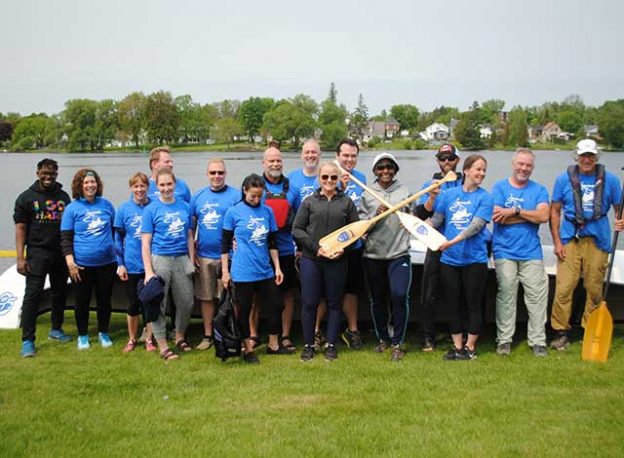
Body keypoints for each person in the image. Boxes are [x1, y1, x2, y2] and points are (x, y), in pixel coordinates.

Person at [549, 139, 623, 350]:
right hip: (569, 239)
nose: (587, 159)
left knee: (593, 287)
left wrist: (621, 219)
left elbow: (619, 209)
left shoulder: (612, 181)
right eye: (583, 156)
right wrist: (556, 241)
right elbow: (555, 210)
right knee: (564, 287)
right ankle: (560, 331)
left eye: (591, 155)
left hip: (597, 240)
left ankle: (588, 330)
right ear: (577, 157)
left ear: (596, 157)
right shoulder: (563, 179)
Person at [293, 162, 359, 362]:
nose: (329, 181)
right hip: (312, 260)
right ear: (319, 178)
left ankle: (331, 345)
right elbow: (297, 229)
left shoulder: (346, 202)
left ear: (338, 178)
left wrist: (342, 249)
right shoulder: (309, 202)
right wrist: (318, 249)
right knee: (310, 303)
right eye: (325, 177)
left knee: (334, 303)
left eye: (333, 177)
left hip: (338, 261)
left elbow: (355, 231)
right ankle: (308, 345)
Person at [429, 154, 493, 361]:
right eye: (478, 169)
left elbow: (475, 227)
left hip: (474, 260)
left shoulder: (485, 197)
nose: (481, 173)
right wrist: (414, 226)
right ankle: (457, 347)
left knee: (473, 304)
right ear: (466, 170)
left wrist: (451, 242)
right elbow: (436, 221)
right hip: (450, 260)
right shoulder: (449, 195)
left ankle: (471, 348)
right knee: (453, 303)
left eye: (484, 170)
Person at [220, 174, 285, 364]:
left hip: (264, 269)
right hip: (243, 270)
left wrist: (278, 268)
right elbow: (224, 244)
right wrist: (225, 271)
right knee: (244, 310)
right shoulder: (233, 212)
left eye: (259, 196)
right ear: (244, 191)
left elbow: (273, 242)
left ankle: (274, 344)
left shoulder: (267, 212)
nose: (257, 200)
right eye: (253, 196)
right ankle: (247, 348)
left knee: (276, 305)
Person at [491, 148, 550, 357]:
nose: (524, 168)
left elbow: (544, 216)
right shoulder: (499, 187)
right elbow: (497, 217)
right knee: (506, 294)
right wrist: (529, 215)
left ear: (532, 168)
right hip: (504, 251)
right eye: (521, 164)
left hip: (531, 252)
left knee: (536, 297)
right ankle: (504, 340)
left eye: (528, 165)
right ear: (513, 164)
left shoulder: (540, 190)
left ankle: (538, 341)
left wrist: (514, 211)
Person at [14, 158, 72, 357]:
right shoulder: (26, 198)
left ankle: (56, 329)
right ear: (38, 173)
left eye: (52, 173)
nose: (49, 177)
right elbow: (20, 228)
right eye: (45, 173)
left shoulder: (64, 197)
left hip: (60, 252)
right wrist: (20, 257)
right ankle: (28, 340)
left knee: (60, 292)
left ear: (57, 173)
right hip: (37, 253)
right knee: (33, 295)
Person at [359, 153, 411, 362]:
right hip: (373, 254)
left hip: (398, 253)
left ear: (395, 169)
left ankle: (397, 342)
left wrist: (409, 220)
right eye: (381, 168)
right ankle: (383, 339)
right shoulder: (368, 194)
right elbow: (362, 228)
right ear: (375, 171)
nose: (385, 171)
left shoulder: (405, 191)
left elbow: (413, 218)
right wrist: (376, 215)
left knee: (399, 295)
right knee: (378, 299)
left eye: (390, 167)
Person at [413, 143, 463, 351]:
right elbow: (421, 215)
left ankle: (461, 334)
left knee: (458, 294)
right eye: (442, 158)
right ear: (437, 161)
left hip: (459, 246)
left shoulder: (466, 183)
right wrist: (433, 195)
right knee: (428, 293)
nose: (446, 162)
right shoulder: (430, 183)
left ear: (457, 160)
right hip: (435, 245)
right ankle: (427, 336)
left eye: (450, 158)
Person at [141, 168, 195, 361]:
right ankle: (163, 344)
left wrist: (191, 259)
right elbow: (146, 242)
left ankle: (179, 335)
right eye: (162, 185)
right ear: (157, 186)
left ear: (175, 184)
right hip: (160, 259)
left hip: (181, 258)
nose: (166, 188)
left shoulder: (185, 207)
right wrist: (148, 271)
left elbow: (189, 235)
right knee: (159, 303)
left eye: (169, 184)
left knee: (187, 301)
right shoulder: (151, 210)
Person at [60, 168, 117, 350]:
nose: (90, 185)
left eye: (93, 182)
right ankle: (83, 335)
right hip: (81, 265)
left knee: (104, 300)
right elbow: (66, 238)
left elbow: (115, 231)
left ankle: (103, 332)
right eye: (86, 183)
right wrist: (70, 261)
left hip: (107, 263)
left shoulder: (107, 205)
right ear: (80, 185)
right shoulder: (72, 209)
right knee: (82, 301)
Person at [190, 158, 240, 350]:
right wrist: (192, 254)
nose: (217, 176)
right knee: (206, 296)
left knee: (230, 296)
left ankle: (230, 332)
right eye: (213, 173)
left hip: (229, 256)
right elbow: (191, 230)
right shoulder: (198, 197)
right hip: (204, 256)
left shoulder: (235, 196)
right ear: (207, 174)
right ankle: (208, 335)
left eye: (220, 172)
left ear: (225, 174)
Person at [259, 146, 298, 353]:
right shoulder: (254, 185)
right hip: (259, 252)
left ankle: (285, 335)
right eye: (271, 161)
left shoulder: (292, 188)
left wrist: (300, 247)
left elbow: (301, 219)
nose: (275, 164)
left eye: (278, 160)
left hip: (285, 250)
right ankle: (253, 335)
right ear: (263, 163)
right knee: (256, 295)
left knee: (287, 295)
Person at [114, 172, 156, 353]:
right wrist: (120, 263)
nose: (139, 190)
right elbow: (117, 237)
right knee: (132, 304)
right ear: (131, 188)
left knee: (150, 303)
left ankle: (149, 338)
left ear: (147, 187)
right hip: (131, 264)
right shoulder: (124, 209)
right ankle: (132, 338)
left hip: (152, 264)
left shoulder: (155, 206)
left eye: (142, 186)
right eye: (136, 186)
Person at [335, 139, 366, 350]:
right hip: (334, 244)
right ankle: (319, 332)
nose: (349, 159)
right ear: (338, 156)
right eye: (345, 155)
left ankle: (352, 329)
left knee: (352, 289)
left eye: (353, 155)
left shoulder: (362, 178)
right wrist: (341, 188)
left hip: (354, 245)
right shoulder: (329, 174)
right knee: (325, 291)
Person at [288, 139, 321, 212]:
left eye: (313, 152)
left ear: (319, 155)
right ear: (302, 156)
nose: (310, 155)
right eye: (307, 152)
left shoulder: (327, 177)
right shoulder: (291, 177)